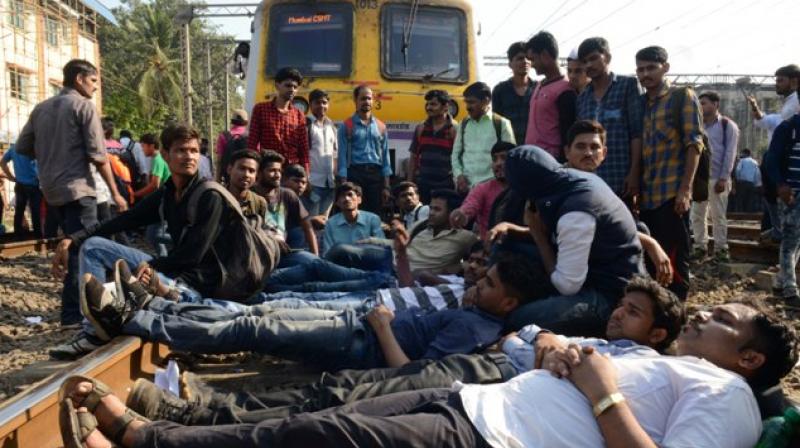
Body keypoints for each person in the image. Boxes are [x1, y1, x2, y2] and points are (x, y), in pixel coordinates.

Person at [61, 299, 797, 448]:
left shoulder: (726, 397)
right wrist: (558, 357)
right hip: (477, 397)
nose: (707, 314)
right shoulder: (657, 360)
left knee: (323, 433)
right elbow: (548, 342)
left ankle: (150, 441)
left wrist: (601, 392)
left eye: (725, 321)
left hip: (494, 436)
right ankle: (165, 428)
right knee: (315, 419)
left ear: (749, 359)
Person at [127, 275, 685, 425]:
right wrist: (543, 340)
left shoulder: (640, 367)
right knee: (322, 382)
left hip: (473, 390)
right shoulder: (598, 342)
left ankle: (189, 407)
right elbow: (535, 339)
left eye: (632, 313)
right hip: (465, 368)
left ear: (659, 335)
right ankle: (186, 382)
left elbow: (415, 367)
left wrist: (544, 345)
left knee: (326, 410)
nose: (617, 313)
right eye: (622, 305)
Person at [79, 252, 540, 373]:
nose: (480, 284)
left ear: (510, 304)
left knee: (253, 325)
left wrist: (381, 327)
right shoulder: (475, 312)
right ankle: (152, 308)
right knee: (253, 318)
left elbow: (411, 372)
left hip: (359, 341)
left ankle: (133, 319)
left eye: (491, 284)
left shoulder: (473, 326)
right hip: (357, 325)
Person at [48, 124, 280, 359]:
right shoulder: (170, 192)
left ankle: (97, 331)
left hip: (199, 285)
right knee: (94, 246)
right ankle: (95, 328)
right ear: (166, 155)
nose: (189, 157)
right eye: (181, 150)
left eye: (193, 150)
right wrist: (74, 239)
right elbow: (128, 218)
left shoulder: (210, 195)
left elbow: (191, 257)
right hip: (178, 274)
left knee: (140, 277)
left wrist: (151, 267)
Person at [15, 59, 128, 326]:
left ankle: (80, 311)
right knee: (84, 250)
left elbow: (22, 147)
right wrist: (116, 194)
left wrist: (51, 154)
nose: (95, 88)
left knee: (72, 245)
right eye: (93, 81)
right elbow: (99, 157)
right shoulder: (83, 106)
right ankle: (74, 315)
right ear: (79, 79)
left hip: (51, 190)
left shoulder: (40, 108)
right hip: (78, 189)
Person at [504, 145, 642, 336]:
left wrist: (538, 236)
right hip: (590, 270)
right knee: (508, 246)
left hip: (610, 294)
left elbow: (567, 286)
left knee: (518, 319)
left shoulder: (575, 213)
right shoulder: (574, 180)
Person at [559, 120, 674, 286]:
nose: (588, 153)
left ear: (604, 153)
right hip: (569, 258)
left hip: (595, 251)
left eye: (594, 147)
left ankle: (642, 290)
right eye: (581, 147)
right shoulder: (562, 182)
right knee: (639, 234)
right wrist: (650, 243)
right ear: (567, 152)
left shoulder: (595, 183)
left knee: (639, 228)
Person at [635, 46, 704, 301]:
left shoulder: (681, 97)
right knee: (653, 262)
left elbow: (694, 143)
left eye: (651, 68)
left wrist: (685, 190)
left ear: (665, 67)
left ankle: (677, 314)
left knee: (675, 261)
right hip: (648, 196)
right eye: (641, 69)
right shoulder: (642, 104)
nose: (646, 74)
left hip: (672, 195)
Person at [576, 37, 644, 198]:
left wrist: (634, 173)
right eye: (584, 62)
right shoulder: (582, 98)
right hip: (591, 181)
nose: (589, 65)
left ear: (607, 57)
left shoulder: (627, 86)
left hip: (621, 179)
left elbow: (637, 133)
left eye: (593, 58)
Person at [689, 91, 740, 261]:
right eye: (699, 103)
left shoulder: (727, 125)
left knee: (718, 215)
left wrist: (724, 178)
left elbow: (730, 153)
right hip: (700, 178)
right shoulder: (697, 125)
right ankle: (700, 247)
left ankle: (721, 249)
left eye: (703, 103)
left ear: (716, 104)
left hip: (718, 177)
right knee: (697, 214)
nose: (700, 106)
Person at [451, 82, 515, 194]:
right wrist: (459, 175)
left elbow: (510, 158)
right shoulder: (464, 124)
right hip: (467, 189)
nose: (468, 107)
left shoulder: (501, 123)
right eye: (466, 102)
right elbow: (455, 155)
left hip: (493, 190)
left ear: (486, 101)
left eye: (472, 102)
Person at [337, 85, 392, 214]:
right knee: (356, 213)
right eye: (362, 99)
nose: (366, 102)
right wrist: (344, 184)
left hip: (375, 176)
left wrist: (387, 186)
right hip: (355, 175)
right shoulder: (347, 125)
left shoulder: (381, 126)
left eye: (369, 98)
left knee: (375, 214)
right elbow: (342, 157)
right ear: (355, 101)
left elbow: (385, 158)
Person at [765, 105, 800, 303]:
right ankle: (790, 290)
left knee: (797, 241)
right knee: (790, 240)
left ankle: (780, 282)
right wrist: (781, 185)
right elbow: (771, 159)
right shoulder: (788, 128)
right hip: (792, 194)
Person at [253, 151, 318, 256]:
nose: (277, 175)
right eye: (272, 171)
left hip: (283, 254)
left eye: (279, 171)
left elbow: (308, 227)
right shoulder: (249, 195)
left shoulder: (287, 194)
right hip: (257, 257)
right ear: (259, 173)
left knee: (315, 264)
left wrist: (316, 256)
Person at [524, 31, 577, 159]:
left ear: (545, 55)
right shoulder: (539, 85)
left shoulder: (565, 89)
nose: (532, 65)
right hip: (534, 159)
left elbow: (567, 132)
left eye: (533, 59)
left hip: (552, 162)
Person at [248, 67, 309, 173]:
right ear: (277, 85)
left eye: (295, 87)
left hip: (291, 172)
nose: (292, 90)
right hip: (268, 170)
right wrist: (253, 169)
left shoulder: (299, 115)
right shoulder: (260, 109)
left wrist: (305, 173)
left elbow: (304, 150)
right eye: (288, 85)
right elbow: (252, 143)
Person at [450, 141, 513, 240]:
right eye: (494, 159)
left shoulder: (524, 189)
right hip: (490, 248)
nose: (498, 163)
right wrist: (462, 214)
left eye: (503, 158)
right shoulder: (483, 188)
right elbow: (470, 205)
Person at [407, 90, 457, 203]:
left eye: (433, 104)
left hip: (446, 185)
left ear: (445, 107)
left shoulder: (454, 129)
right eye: (428, 104)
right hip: (424, 184)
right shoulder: (421, 128)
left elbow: (459, 158)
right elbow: (414, 157)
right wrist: (409, 183)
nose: (429, 107)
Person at [134, 133, 172, 257]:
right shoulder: (157, 159)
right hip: (163, 202)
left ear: (151, 146)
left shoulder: (157, 159)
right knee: (154, 235)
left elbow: (155, 184)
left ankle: (188, 242)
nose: (142, 149)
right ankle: (164, 262)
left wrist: (136, 194)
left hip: (163, 203)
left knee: (153, 235)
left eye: (143, 146)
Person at [491, 41, 536, 144]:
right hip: (508, 146)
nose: (525, 61)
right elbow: (496, 122)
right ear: (510, 64)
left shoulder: (538, 89)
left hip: (534, 147)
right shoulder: (500, 90)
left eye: (528, 58)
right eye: (520, 58)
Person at [305, 89, 338, 217]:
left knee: (325, 223)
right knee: (312, 222)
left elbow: (335, 155)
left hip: (330, 184)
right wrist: (306, 180)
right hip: (312, 183)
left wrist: (337, 178)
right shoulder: (306, 124)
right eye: (317, 103)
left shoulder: (332, 126)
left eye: (324, 102)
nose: (321, 106)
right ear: (310, 105)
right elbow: (302, 153)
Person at [1, 143, 41, 236]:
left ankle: (18, 235)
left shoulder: (14, 148)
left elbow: (3, 162)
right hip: (34, 184)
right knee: (35, 211)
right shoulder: (33, 146)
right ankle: (37, 235)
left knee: (19, 211)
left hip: (20, 184)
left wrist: (11, 177)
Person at [225, 150, 266, 219]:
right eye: (242, 168)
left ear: (256, 175)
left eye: (251, 171)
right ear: (229, 169)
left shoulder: (259, 203)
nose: (246, 175)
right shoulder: (216, 198)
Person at [216, 109, 249, 182]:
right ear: (246, 122)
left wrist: (218, 179)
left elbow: (219, 160)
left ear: (232, 121)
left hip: (229, 176)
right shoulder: (251, 136)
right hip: (247, 176)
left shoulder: (224, 136)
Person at [733, 148, 762, 212]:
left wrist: (738, 180)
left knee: (740, 200)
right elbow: (757, 174)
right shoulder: (755, 162)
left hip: (742, 183)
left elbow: (738, 170)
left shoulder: (742, 161)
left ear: (745, 153)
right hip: (751, 183)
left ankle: (740, 215)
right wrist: (757, 184)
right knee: (750, 201)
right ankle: (748, 216)